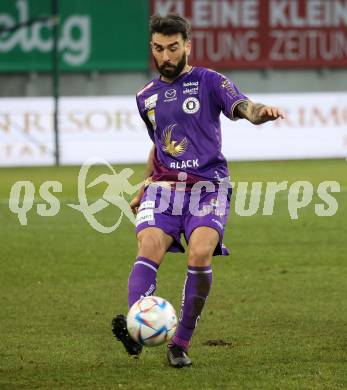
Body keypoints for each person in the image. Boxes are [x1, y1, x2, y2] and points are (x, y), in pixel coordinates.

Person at [112, 13, 284, 368]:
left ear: (187, 46)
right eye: (159, 48)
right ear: (152, 48)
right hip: (163, 188)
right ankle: (136, 329)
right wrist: (143, 185)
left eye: (173, 47)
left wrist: (259, 114)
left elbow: (244, 107)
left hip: (208, 187)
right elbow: (159, 145)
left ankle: (180, 341)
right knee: (148, 246)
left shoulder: (208, 81)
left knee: (200, 254)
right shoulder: (145, 97)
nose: (166, 56)